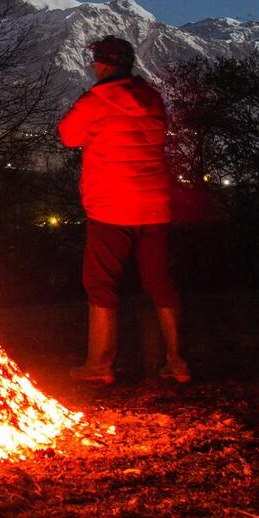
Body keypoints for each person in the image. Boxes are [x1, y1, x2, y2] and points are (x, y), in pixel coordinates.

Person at [56, 35, 190, 384]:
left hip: (111, 206)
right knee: (160, 282)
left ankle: (99, 366)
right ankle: (177, 361)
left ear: (101, 64)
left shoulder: (95, 100)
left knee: (100, 282)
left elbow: (68, 136)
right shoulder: (152, 97)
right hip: (155, 203)